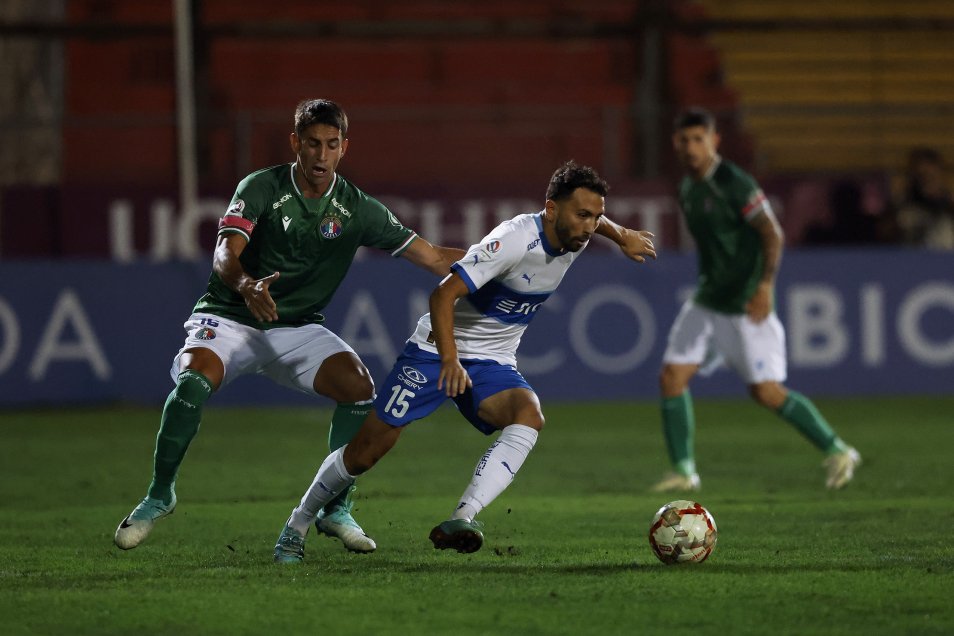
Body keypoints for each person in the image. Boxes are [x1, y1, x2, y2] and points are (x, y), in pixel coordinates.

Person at [113, 99, 465, 553]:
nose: (321, 155)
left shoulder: (357, 208)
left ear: (344, 149)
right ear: (295, 143)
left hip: (296, 327)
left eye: (331, 145)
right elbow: (224, 251)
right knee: (194, 383)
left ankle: (335, 508)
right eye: (313, 144)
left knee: (358, 387)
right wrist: (245, 284)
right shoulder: (262, 186)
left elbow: (435, 257)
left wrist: (502, 261)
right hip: (230, 316)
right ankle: (159, 495)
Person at [272, 160, 657, 562]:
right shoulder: (513, 240)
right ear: (550, 210)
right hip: (436, 349)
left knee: (528, 414)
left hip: (492, 360)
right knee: (366, 451)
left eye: (596, 218)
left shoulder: (575, 232)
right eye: (582, 216)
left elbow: (592, 215)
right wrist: (450, 360)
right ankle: (296, 525)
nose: (590, 226)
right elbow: (442, 294)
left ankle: (464, 517)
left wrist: (623, 234)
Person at [651, 107, 861, 493]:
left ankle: (838, 449)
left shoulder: (733, 182)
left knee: (765, 392)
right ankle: (684, 471)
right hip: (707, 298)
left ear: (715, 141)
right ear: (675, 144)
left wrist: (764, 285)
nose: (691, 147)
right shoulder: (687, 188)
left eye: (699, 139)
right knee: (672, 377)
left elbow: (772, 234)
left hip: (745, 304)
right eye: (685, 140)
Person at [894, 147, 954, 249]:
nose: (927, 182)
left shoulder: (949, 204)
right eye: (921, 176)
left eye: (931, 176)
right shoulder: (905, 206)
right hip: (914, 259)